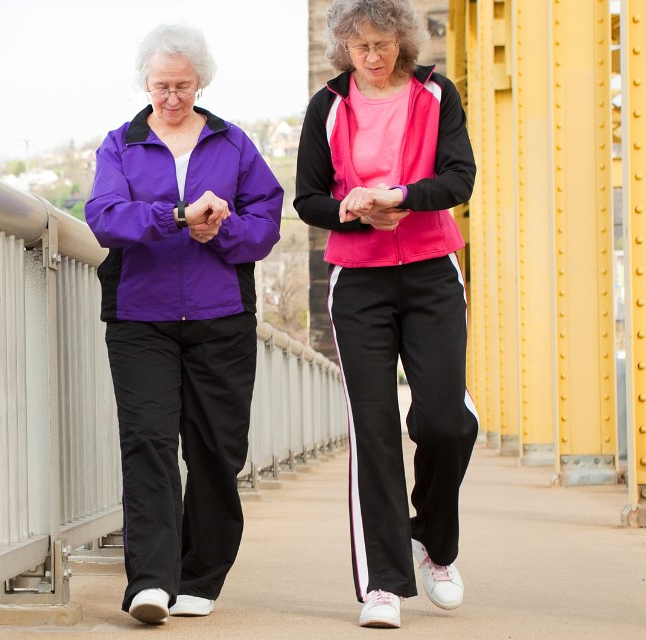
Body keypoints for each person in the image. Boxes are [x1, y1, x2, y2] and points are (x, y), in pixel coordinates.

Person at [85, 23, 283, 625]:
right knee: (147, 442)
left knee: (217, 450)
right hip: (139, 318)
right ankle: (150, 580)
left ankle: (201, 575)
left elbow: (267, 221)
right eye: (161, 86)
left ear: (201, 82)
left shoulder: (233, 144)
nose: (171, 97)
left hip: (220, 316)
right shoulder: (121, 144)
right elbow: (103, 216)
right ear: (145, 84)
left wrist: (221, 229)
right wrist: (175, 216)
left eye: (183, 86)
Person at [294, 0, 478, 629]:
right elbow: (308, 199)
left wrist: (403, 196)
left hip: (431, 271)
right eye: (359, 47)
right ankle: (384, 582)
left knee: (444, 423)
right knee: (373, 430)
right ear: (343, 49)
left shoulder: (436, 94)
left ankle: (437, 545)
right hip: (360, 282)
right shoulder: (327, 106)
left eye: (382, 45)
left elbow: (460, 179)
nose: (371, 58)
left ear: (403, 41)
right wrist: (353, 209)